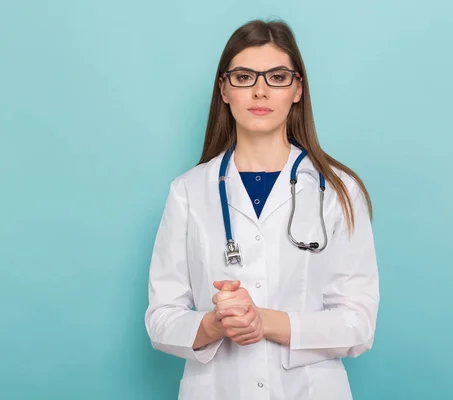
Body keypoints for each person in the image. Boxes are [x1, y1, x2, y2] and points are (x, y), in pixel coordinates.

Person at [144, 18, 380, 400]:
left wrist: (264, 322)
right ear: (224, 89)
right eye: (243, 77)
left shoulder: (337, 190)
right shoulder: (188, 191)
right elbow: (161, 319)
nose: (259, 91)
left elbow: (358, 323)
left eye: (277, 77)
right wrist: (214, 324)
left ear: (297, 89)